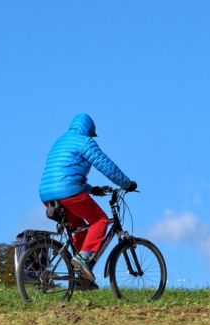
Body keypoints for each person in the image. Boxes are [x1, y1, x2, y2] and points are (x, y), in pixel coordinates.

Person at [39, 113, 137, 286]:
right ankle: (83, 259)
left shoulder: (60, 141)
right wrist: (127, 184)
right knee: (100, 220)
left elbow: (66, 172)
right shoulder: (84, 142)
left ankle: (81, 279)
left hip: (47, 194)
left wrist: (91, 189)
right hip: (69, 192)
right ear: (88, 130)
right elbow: (106, 166)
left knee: (79, 228)